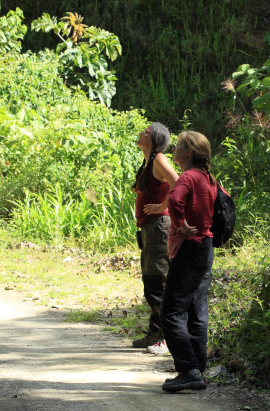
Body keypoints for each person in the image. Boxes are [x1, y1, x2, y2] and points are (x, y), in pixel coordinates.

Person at [161, 130, 218, 392]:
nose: (175, 148)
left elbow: (174, 199)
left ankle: (189, 369)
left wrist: (181, 224)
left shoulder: (188, 177)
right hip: (206, 247)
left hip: (189, 248)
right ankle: (198, 369)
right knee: (197, 310)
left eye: (180, 145)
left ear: (188, 152)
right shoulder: (209, 178)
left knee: (172, 312)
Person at [132, 122, 178, 353]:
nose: (142, 133)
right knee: (151, 282)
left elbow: (179, 184)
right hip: (149, 228)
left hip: (159, 226)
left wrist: (162, 206)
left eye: (147, 131)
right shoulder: (149, 160)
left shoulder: (159, 159)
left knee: (158, 283)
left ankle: (168, 339)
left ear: (155, 138)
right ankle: (155, 333)